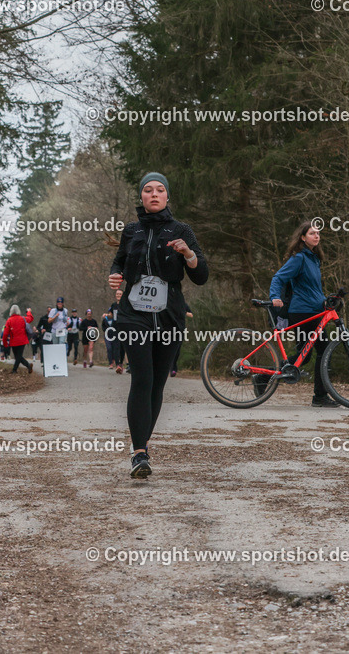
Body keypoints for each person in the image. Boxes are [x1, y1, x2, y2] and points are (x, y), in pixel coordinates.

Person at [110, 172, 208, 478]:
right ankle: (140, 452)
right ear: (141, 197)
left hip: (169, 315)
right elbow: (119, 261)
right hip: (133, 315)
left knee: (157, 382)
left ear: (167, 197)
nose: (154, 194)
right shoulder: (131, 230)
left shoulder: (181, 230)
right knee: (142, 377)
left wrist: (188, 254)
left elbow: (201, 275)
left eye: (160, 190)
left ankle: (142, 443)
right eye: (148, 190)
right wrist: (115, 275)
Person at [270, 221, 336, 408]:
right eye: (312, 233)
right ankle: (320, 397)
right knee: (325, 349)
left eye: (318, 233)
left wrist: (325, 300)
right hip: (302, 312)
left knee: (304, 357)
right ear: (302, 237)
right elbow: (279, 277)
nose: (317, 236)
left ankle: (262, 376)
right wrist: (274, 296)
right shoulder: (299, 258)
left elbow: (311, 289)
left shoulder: (314, 259)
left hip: (314, 311)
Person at [3, 305, 35, 373]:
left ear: (11, 311)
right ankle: (28, 366)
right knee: (18, 357)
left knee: (18, 356)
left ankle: (14, 370)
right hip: (22, 340)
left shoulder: (9, 320)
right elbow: (30, 319)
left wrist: (5, 343)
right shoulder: (22, 318)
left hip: (13, 341)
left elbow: (5, 333)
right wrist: (28, 312)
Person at [169, 306, 193, 377]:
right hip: (168, 330)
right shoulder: (168, 302)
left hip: (180, 330)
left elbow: (191, 315)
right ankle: (168, 369)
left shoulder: (183, 304)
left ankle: (173, 369)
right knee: (168, 350)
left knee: (176, 351)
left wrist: (183, 312)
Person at [108, 289, 126, 373]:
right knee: (116, 346)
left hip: (123, 327)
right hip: (115, 327)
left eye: (120, 294)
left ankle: (121, 363)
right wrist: (107, 315)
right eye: (117, 294)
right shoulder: (114, 305)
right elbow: (111, 315)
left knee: (122, 347)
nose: (118, 295)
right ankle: (117, 365)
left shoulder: (125, 304)